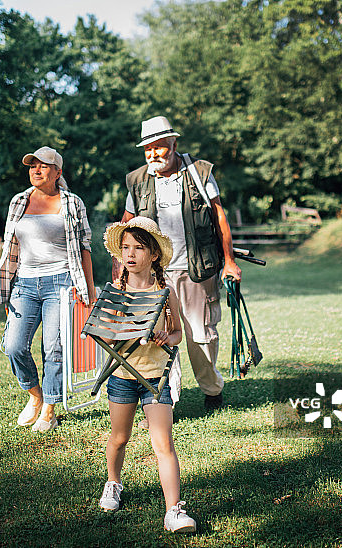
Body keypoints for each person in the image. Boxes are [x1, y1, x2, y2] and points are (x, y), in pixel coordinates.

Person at [116, 116, 242, 412]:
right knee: (161, 335)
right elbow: (126, 224)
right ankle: (166, 398)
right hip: (155, 273)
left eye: (159, 147)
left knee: (201, 335)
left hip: (196, 270)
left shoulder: (199, 172)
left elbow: (219, 217)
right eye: (148, 149)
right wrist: (122, 264)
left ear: (173, 144)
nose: (153, 154)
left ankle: (212, 389)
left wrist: (229, 262)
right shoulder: (137, 180)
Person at [97, 217, 196, 533]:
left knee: (163, 443)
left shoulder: (165, 293)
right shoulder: (116, 292)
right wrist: (124, 329)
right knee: (119, 438)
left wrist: (167, 337)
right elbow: (105, 334)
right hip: (123, 377)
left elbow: (178, 334)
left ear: (153, 255)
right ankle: (113, 482)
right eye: (126, 247)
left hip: (156, 378)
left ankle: (173, 511)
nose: (130, 253)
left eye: (138, 248)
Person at [0, 146, 96, 433]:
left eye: (43, 165)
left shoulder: (72, 203)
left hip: (61, 283)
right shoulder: (19, 201)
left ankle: (49, 408)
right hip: (24, 284)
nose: (36, 170)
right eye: (32, 165)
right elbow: (10, 248)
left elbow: (84, 248)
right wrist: (6, 286)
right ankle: (35, 395)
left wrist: (89, 291)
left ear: (57, 172)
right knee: (13, 345)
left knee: (54, 347)